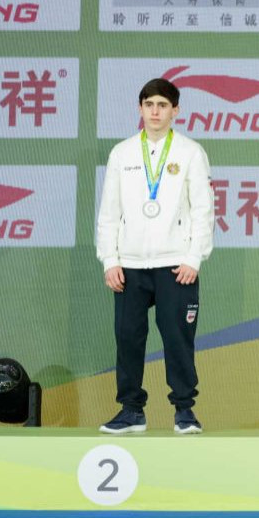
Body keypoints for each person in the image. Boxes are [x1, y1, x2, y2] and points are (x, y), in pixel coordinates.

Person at [96, 78, 215, 434]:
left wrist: (194, 257)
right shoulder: (122, 153)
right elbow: (109, 212)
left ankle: (184, 411)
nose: (155, 112)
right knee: (128, 338)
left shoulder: (190, 152)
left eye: (163, 105)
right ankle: (131, 410)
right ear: (140, 108)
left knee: (177, 339)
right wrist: (110, 259)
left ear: (175, 110)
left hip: (175, 264)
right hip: (130, 266)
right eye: (149, 105)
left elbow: (203, 210)